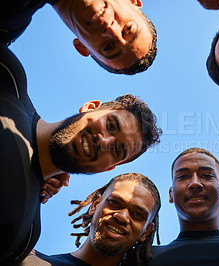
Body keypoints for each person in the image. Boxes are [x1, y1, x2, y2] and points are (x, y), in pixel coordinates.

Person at [0, 43, 161, 264]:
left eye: (117, 150)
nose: (103, 141)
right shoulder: (9, 82)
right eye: (111, 125)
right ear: (90, 107)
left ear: (108, 168)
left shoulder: (23, 232)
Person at [22, 172, 161, 266]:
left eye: (137, 215)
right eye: (115, 203)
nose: (122, 217)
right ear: (94, 205)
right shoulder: (27, 260)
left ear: (146, 232)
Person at [0, 0, 157, 75]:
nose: (111, 30)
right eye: (128, 29)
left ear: (82, 46)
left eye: (108, 47)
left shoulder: (6, 23)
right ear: (133, 2)